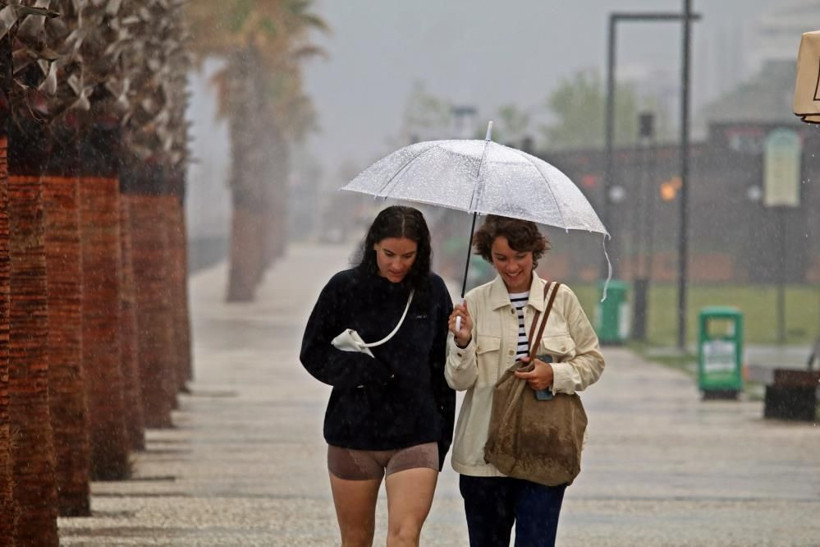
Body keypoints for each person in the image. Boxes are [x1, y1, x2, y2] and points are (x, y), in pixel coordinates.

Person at [300, 205, 455, 547]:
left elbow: (442, 372)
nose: (397, 264)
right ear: (373, 245)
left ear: (422, 252)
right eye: (389, 254)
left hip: (416, 433)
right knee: (355, 540)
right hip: (353, 432)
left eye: (408, 255)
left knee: (405, 537)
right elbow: (312, 353)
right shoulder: (344, 287)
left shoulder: (433, 291)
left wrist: (443, 438)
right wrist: (363, 371)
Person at [446, 215, 605, 547]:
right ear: (489, 256)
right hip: (482, 457)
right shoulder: (473, 303)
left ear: (535, 253)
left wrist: (555, 375)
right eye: (502, 258)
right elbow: (459, 381)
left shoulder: (561, 299)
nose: (512, 267)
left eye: (520, 257)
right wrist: (462, 343)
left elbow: (592, 362)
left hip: (543, 450)